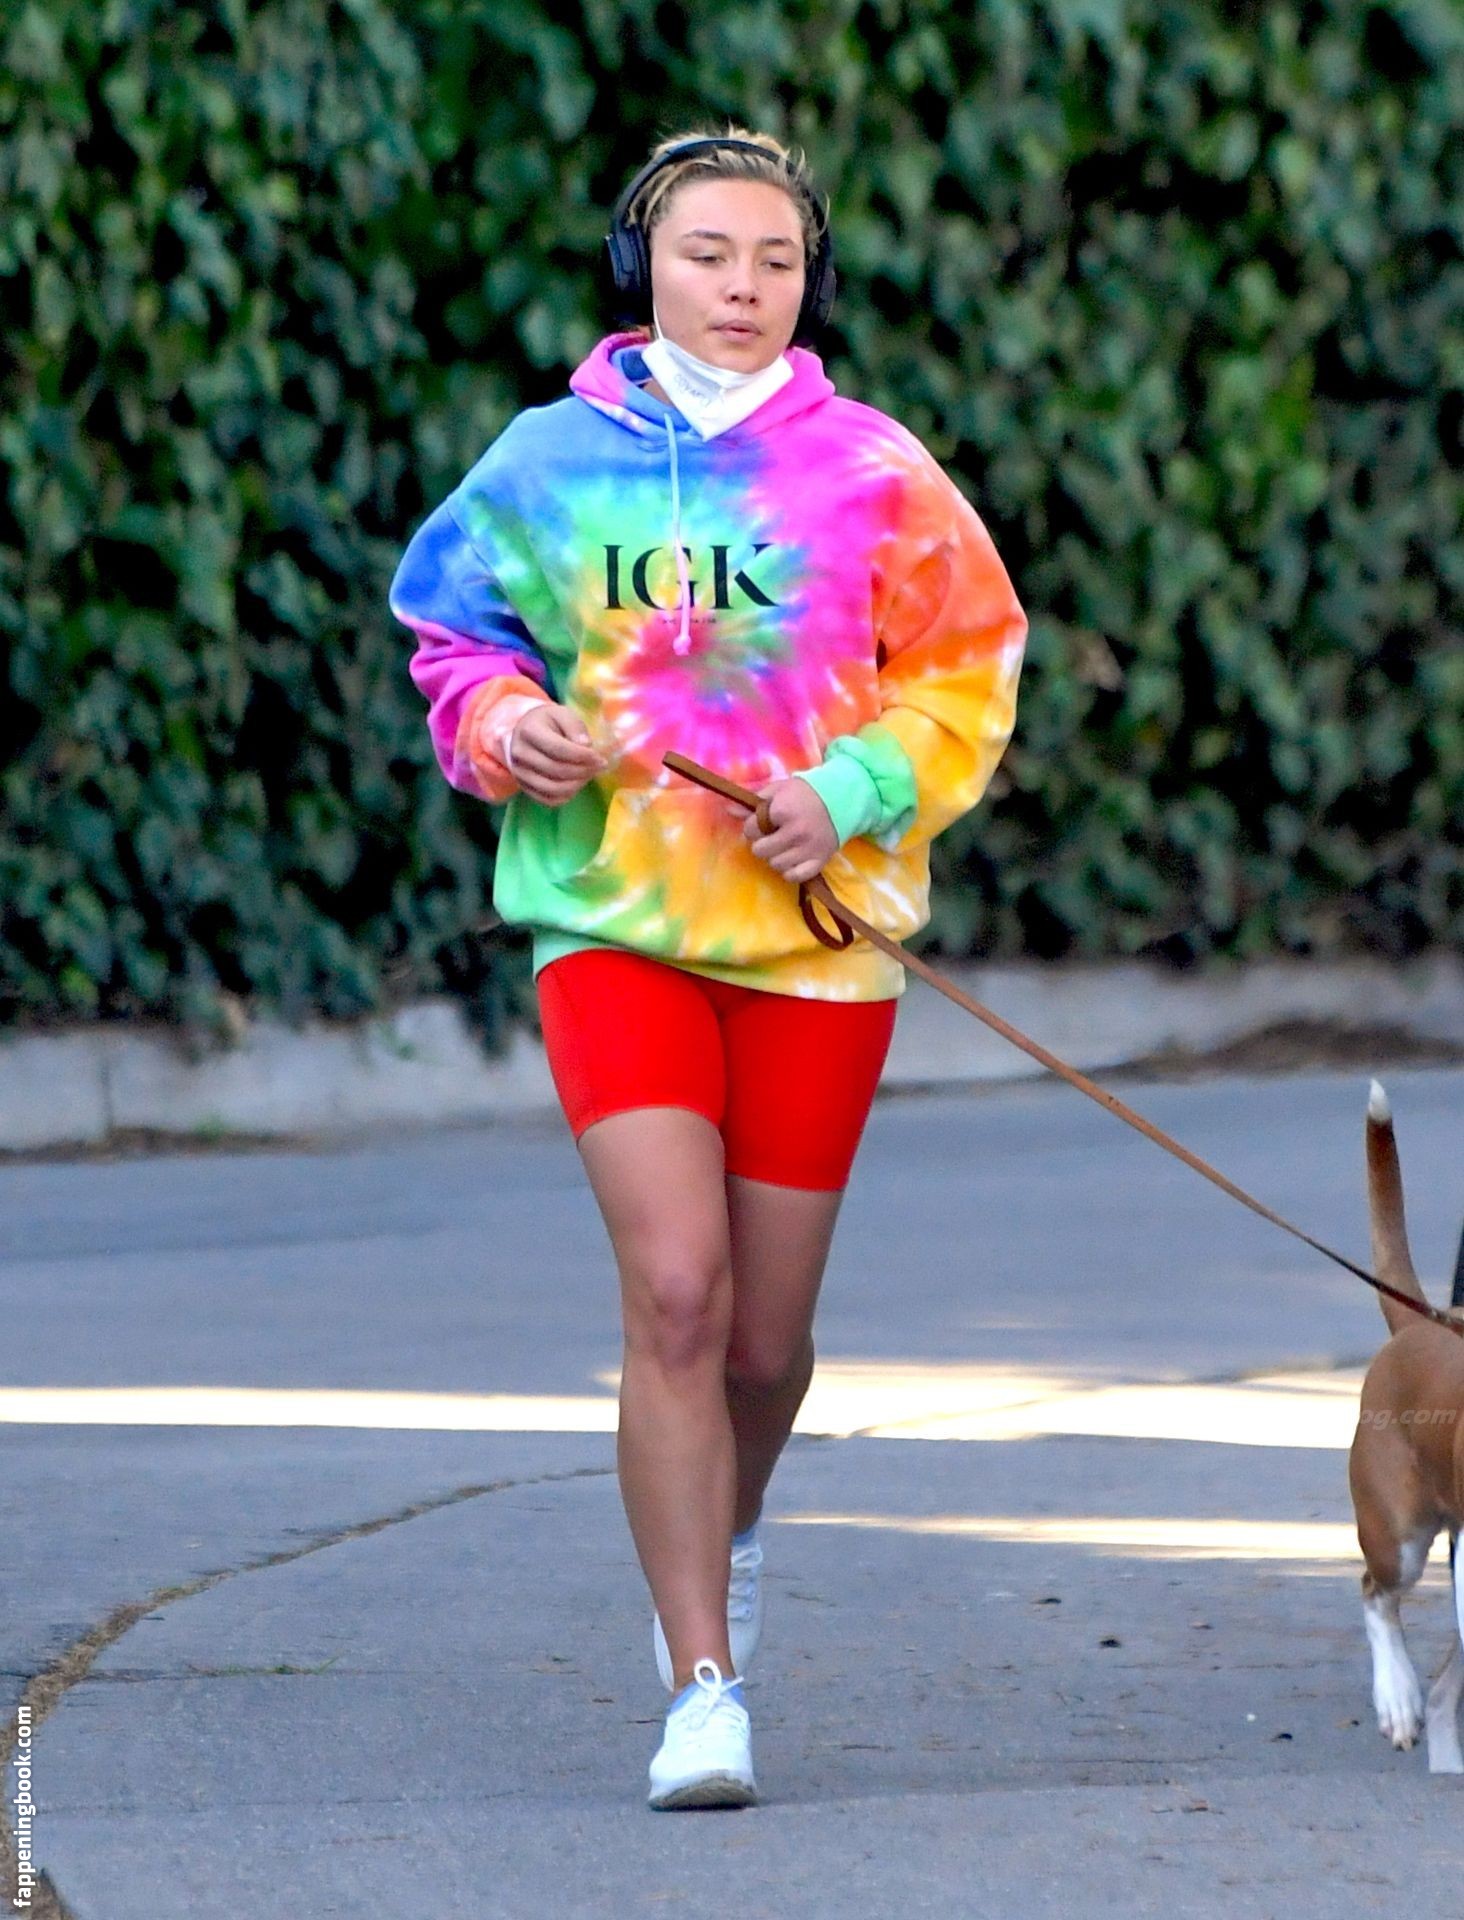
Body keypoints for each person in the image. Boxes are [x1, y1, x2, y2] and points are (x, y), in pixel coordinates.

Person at [389, 125, 1028, 1811]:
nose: (742, 287)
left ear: (811, 281)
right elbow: (455, 633)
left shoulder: (877, 467)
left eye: (774, 261)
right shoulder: (544, 459)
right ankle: (700, 1684)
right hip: (616, 929)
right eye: (706, 254)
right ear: (641, 267)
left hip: (818, 950)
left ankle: (728, 1537)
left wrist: (853, 791)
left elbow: (969, 666)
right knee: (677, 1292)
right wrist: (503, 722)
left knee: (764, 1345)